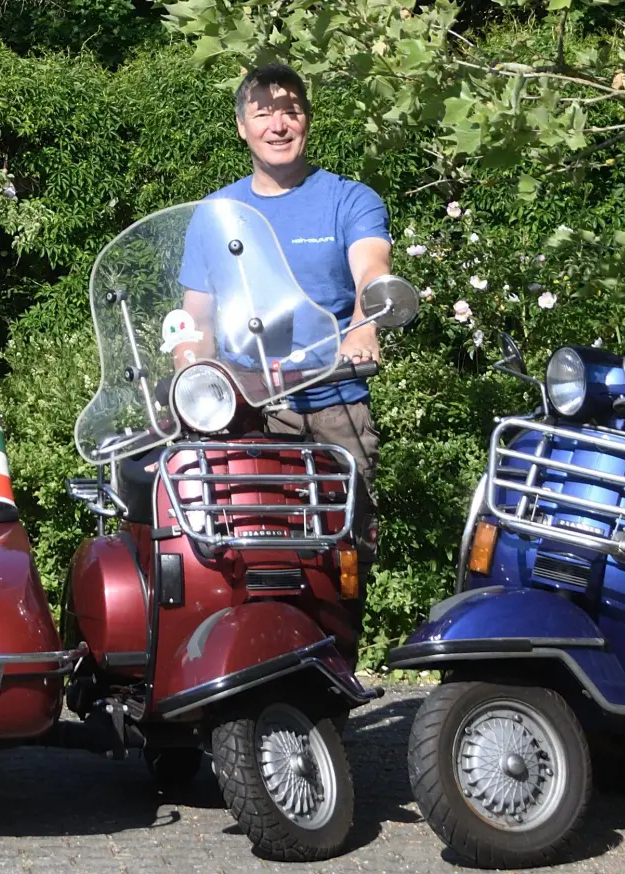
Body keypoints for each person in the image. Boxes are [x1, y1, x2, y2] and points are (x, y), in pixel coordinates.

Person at [176, 62, 393, 672]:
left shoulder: (348, 199)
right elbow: (196, 319)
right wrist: (191, 380)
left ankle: (336, 670)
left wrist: (369, 317)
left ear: (307, 120)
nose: (279, 123)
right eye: (265, 111)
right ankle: (242, 670)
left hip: (332, 400)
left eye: (291, 109)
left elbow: (370, 268)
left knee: (341, 547)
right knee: (238, 546)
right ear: (242, 126)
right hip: (248, 409)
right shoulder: (216, 215)